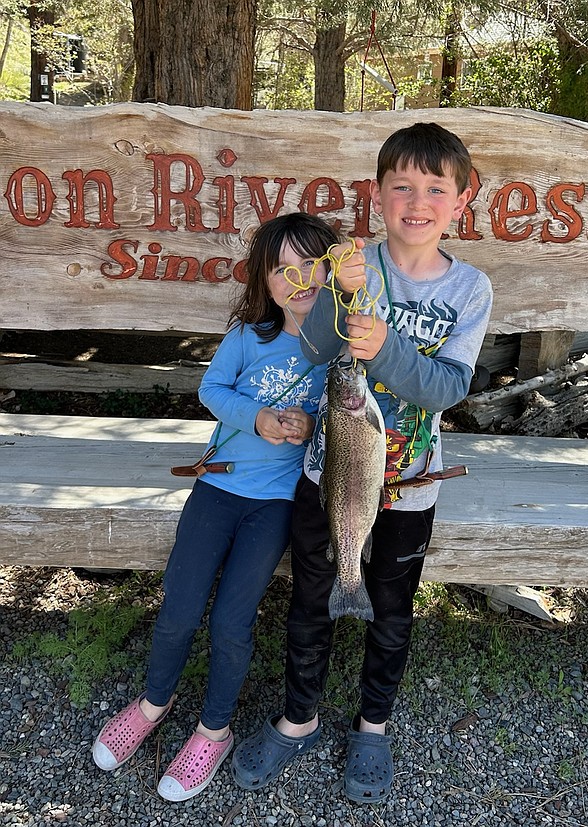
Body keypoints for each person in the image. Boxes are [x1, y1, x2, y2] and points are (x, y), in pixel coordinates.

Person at [232, 122, 493, 803]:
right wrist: (337, 295)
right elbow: (317, 349)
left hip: (410, 484)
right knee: (311, 599)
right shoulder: (355, 262)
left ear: (459, 202)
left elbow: (447, 387)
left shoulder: (470, 290)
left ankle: (373, 725)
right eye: (401, 184)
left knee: (394, 607)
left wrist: (386, 352)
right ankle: (298, 718)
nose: (417, 199)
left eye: (435, 188)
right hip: (330, 472)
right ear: (378, 194)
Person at [92, 212, 339, 802]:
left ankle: (214, 729)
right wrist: (256, 416)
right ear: (264, 279)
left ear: (334, 272)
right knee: (179, 604)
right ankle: (154, 702)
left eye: (311, 265)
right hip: (218, 486)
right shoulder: (248, 337)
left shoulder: (340, 352)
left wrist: (310, 423)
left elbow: (352, 419)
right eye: (283, 269)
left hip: (276, 502)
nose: (298, 278)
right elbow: (211, 391)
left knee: (232, 620)